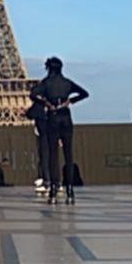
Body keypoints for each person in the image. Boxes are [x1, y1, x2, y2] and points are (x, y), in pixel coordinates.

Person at [32, 58, 89, 204]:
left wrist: (45, 103)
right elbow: (84, 93)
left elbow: (32, 94)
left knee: (53, 155)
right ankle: (70, 189)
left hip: (53, 117)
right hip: (66, 117)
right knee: (68, 155)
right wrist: (70, 101)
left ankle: (53, 189)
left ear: (49, 68)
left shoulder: (46, 83)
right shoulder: (67, 83)